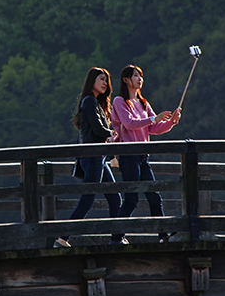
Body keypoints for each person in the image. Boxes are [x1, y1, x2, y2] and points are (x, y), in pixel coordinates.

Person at [109, 65, 181, 243]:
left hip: (143, 156)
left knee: (154, 197)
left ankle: (163, 235)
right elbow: (130, 123)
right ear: (126, 80)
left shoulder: (143, 103)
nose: (140, 79)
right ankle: (117, 237)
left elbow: (155, 128)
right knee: (131, 199)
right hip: (128, 155)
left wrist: (171, 122)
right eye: (135, 76)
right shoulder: (119, 101)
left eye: (140, 76)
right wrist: (153, 119)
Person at [55, 67, 124, 247]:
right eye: (101, 79)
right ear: (92, 81)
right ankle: (63, 237)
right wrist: (112, 133)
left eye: (106, 80)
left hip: (98, 158)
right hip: (92, 158)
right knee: (87, 200)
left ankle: (116, 238)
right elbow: (98, 130)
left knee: (115, 197)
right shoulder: (89, 101)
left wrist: (110, 134)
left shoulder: (96, 103)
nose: (105, 83)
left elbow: (99, 131)